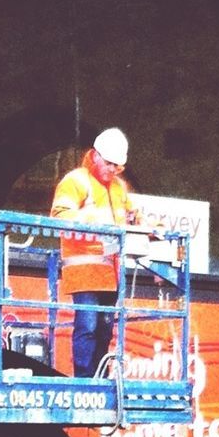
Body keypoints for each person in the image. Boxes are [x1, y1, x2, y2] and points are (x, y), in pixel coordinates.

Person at [50, 127, 138, 378]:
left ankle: (99, 379)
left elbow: (133, 216)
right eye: (109, 164)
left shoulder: (119, 188)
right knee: (87, 326)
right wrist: (93, 220)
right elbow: (59, 215)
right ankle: (85, 381)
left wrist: (147, 227)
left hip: (110, 272)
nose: (112, 170)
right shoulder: (76, 181)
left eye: (117, 167)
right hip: (84, 269)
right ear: (96, 155)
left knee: (104, 328)